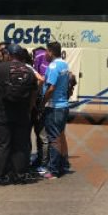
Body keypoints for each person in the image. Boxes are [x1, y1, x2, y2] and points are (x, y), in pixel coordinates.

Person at [0, 44, 38, 185]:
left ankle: (0, 175)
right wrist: (29, 108)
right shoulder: (28, 71)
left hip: (2, 112)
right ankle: (20, 175)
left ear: (8, 55)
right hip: (22, 113)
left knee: (2, 145)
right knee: (20, 145)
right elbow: (34, 92)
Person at [40, 41, 72, 179]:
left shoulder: (53, 66)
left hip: (54, 107)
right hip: (63, 106)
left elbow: (51, 88)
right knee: (60, 136)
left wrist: (42, 103)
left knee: (53, 138)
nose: (45, 54)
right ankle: (63, 165)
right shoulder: (64, 64)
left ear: (51, 52)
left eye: (46, 51)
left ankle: (53, 170)